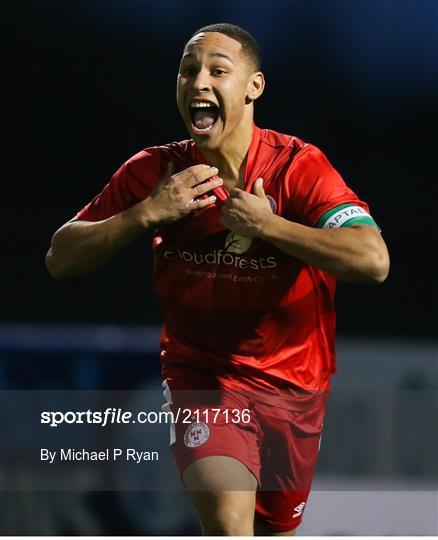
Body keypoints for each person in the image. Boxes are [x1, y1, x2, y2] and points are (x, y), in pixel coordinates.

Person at [46, 23, 390, 536]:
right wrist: (145, 214)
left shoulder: (299, 168)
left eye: (218, 71)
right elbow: (60, 255)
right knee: (229, 527)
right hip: (202, 378)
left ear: (254, 87)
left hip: (293, 387)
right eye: (188, 70)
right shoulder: (155, 172)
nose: (198, 81)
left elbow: (373, 259)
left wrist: (268, 226)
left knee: (271, 532)